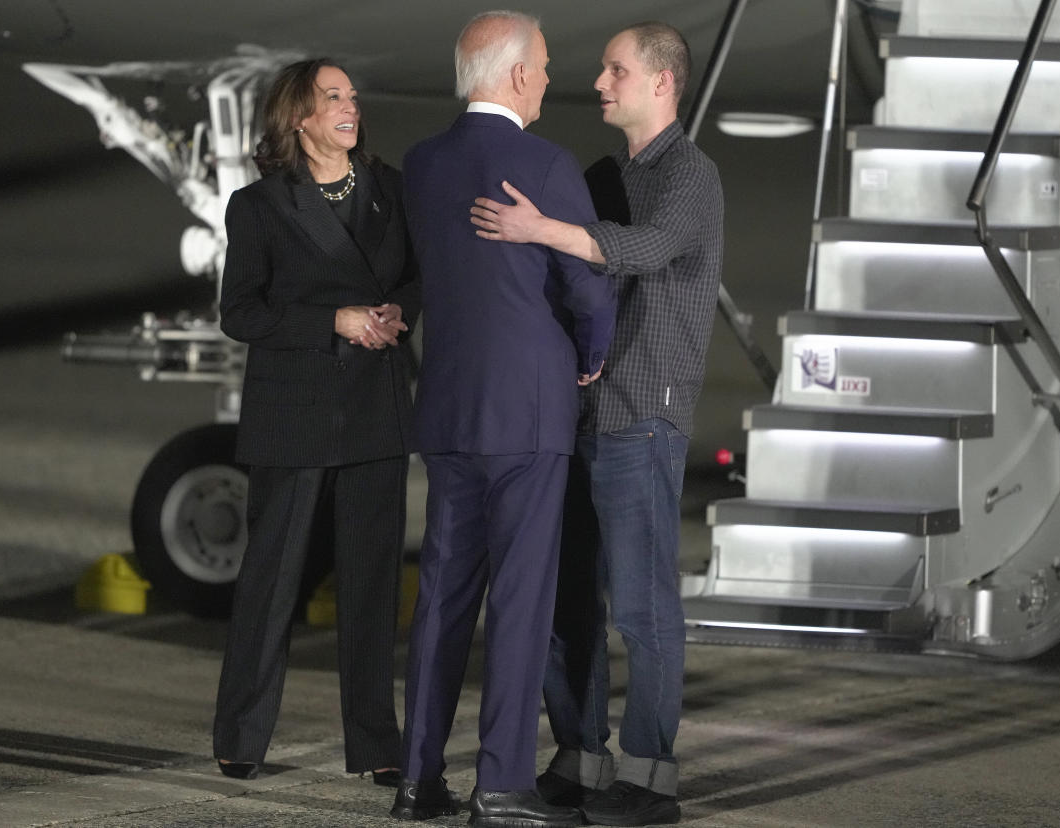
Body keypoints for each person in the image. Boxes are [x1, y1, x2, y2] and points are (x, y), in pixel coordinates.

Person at [470, 21, 724, 827]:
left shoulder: (692, 175)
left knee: (643, 610)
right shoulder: (603, 174)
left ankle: (650, 778)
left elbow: (644, 249)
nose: (600, 83)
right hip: (578, 417)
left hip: (644, 417)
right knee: (565, 601)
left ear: (662, 83)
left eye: (617, 71)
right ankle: (580, 755)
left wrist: (540, 227)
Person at [390, 11, 617, 828]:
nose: (552, 79)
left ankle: (418, 782)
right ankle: (501, 784)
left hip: (450, 406)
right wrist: (591, 354)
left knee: (443, 598)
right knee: (521, 600)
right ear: (517, 75)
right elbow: (586, 287)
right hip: (527, 412)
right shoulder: (548, 165)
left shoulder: (422, 165)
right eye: (547, 67)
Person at [212, 57, 419, 788]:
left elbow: (416, 278)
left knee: (371, 586)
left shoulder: (391, 190)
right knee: (270, 582)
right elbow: (240, 312)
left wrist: (400, 311)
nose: (350, 107)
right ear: (297, 117)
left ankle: (376, 745)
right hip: (295, 409)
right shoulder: (260, 205)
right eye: (333, 98)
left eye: (353, 97)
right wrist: (332, 318)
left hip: (377, 407)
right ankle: (241, 736)